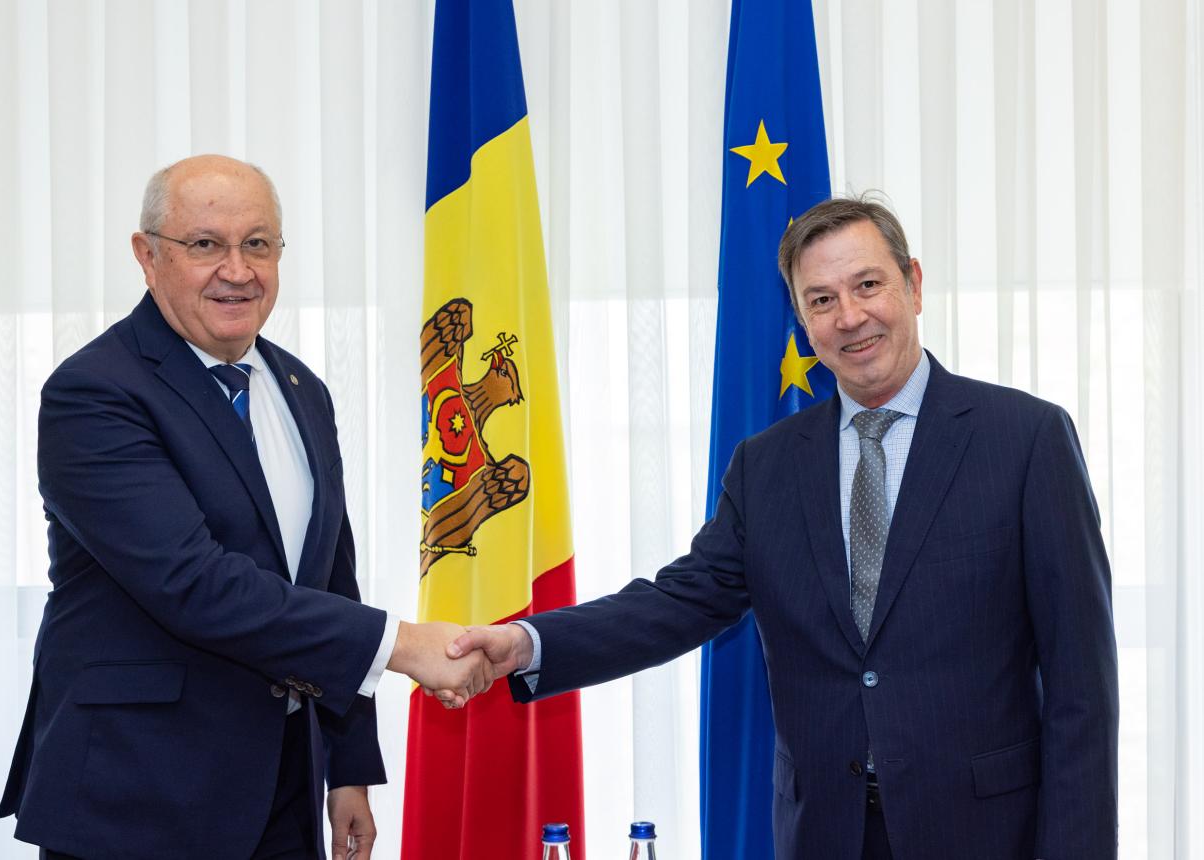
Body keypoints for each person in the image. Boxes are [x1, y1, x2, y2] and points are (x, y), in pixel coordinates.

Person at [445, 197, 1119, 859]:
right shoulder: (765, 465)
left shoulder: (1026, 440)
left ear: (913, 285)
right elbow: (677, 603)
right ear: (801, 318)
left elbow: (1082, 687)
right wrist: (525, 643)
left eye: (868, 285)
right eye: (821, 299)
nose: (849, 316)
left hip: (986, 834)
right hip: (824, 832)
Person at [0, 155, 490, 860]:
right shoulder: (94, 393)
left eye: (257, 244)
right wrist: (406, 646)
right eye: (205, 244)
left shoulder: (302, 389)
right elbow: (193, 584)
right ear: (147, 255)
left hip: (284, 784)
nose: (237, 270)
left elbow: (330, 580)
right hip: (136, 796)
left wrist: (348, 768)